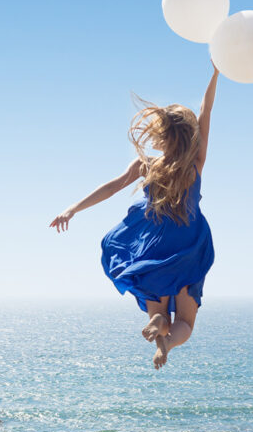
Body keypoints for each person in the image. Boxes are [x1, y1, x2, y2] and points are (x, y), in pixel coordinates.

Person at [50, 60, 219, 369]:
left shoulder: (146, 166)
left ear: (163, 135)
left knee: (159, 313)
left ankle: (156, 323)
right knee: (185, 322)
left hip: (153, 245)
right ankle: (167, 342)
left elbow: (110, 188)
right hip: (189, 244)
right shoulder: (194, 165)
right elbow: (206, 113)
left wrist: (72, 208)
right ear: (188, 137)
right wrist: (216, 73)